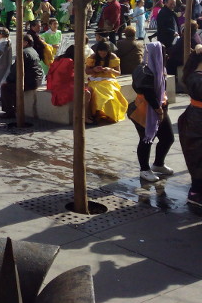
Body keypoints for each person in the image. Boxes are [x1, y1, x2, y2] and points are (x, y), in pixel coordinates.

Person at [130, 42, 174, 182]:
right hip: (145, 109)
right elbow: (148, 93)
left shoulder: (159, 67)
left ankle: (158, 164)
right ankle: (144, 169)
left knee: (168, 137)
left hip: (160, 107)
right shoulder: (144, 70)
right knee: (147, 139)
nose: (166, 55)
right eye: (163, 53)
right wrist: (158, 110)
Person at [0, 35, 44, 119]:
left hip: (30, 82)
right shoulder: (33, 51)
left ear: (26, 43)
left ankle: (9, 112)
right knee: (13, 85)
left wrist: (8, 80)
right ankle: (16, 107)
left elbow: (16, 70)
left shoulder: (23, 53)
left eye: (20, 41)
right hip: (37, 80)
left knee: (5, 87)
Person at [180, 45, 202, 206]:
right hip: (197, 120)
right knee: (197, 157)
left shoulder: (193, 74)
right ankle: (195, 192)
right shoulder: (197, 78)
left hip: (194, 117)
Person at [85, 40, 128, 123]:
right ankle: (98, 113)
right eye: (100, 53)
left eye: (104, 53)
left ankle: (110, 113)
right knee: (97, 90)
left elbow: (118, 73)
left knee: (110, 92)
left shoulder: (113, 57)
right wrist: (94, 69)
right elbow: (87, 71)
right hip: (95, 80)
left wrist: (110, 70)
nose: (102, 55)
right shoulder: (93, 57)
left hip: (109, 80)